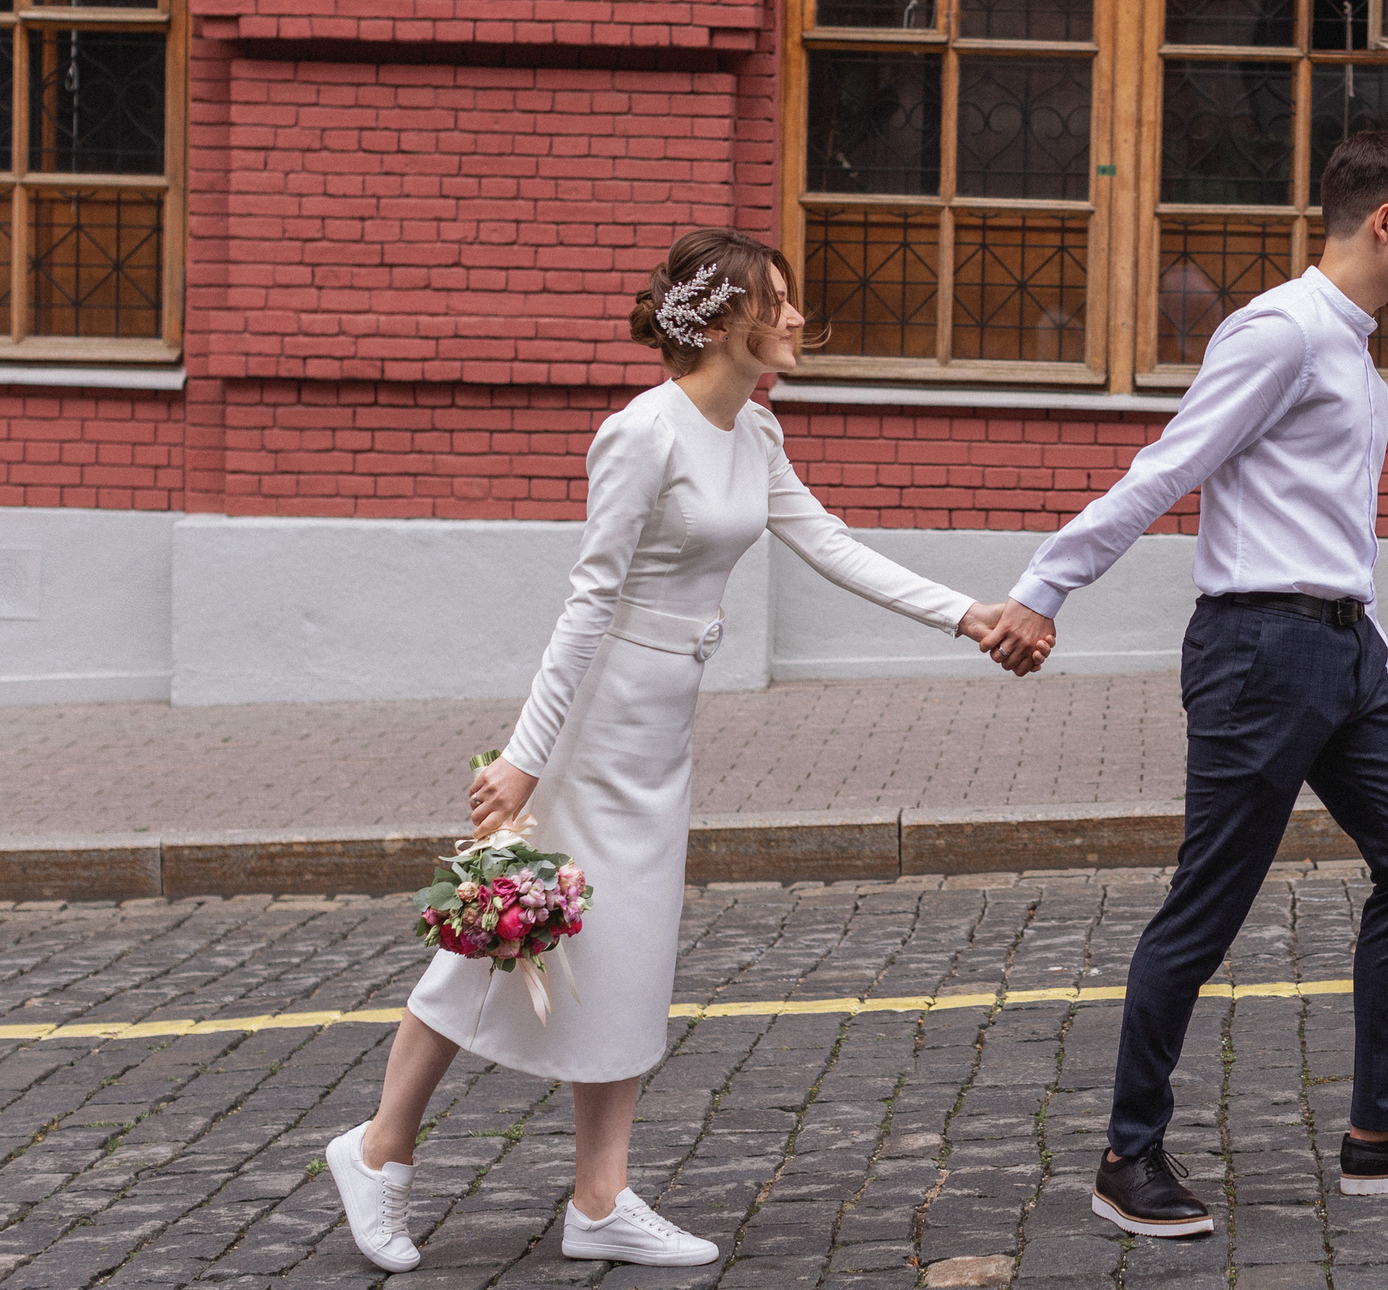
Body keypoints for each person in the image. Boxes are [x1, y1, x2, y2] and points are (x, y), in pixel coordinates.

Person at [324, 228, 1039, 1273]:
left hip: (662, 728)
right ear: (719, 319)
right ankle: (378, 1152)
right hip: (590, 723)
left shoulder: (754, 432)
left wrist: (967, 614)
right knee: (496, 932)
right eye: (778, 302)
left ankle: (601, 1199)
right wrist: (526, 757)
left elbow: (829, 544)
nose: (796, 319)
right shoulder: (641, 434)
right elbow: (588, 602)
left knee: (628, 949)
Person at [980, 130, 1388, 1238]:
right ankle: (1127, 1154)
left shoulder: (1352, 347)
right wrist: (1044, 589)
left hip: (1344, 651)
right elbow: (1169, 465)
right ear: (1383, 220)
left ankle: (1382, 1133)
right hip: (1259, 653)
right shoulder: (1279, 331)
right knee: (1209, 904)